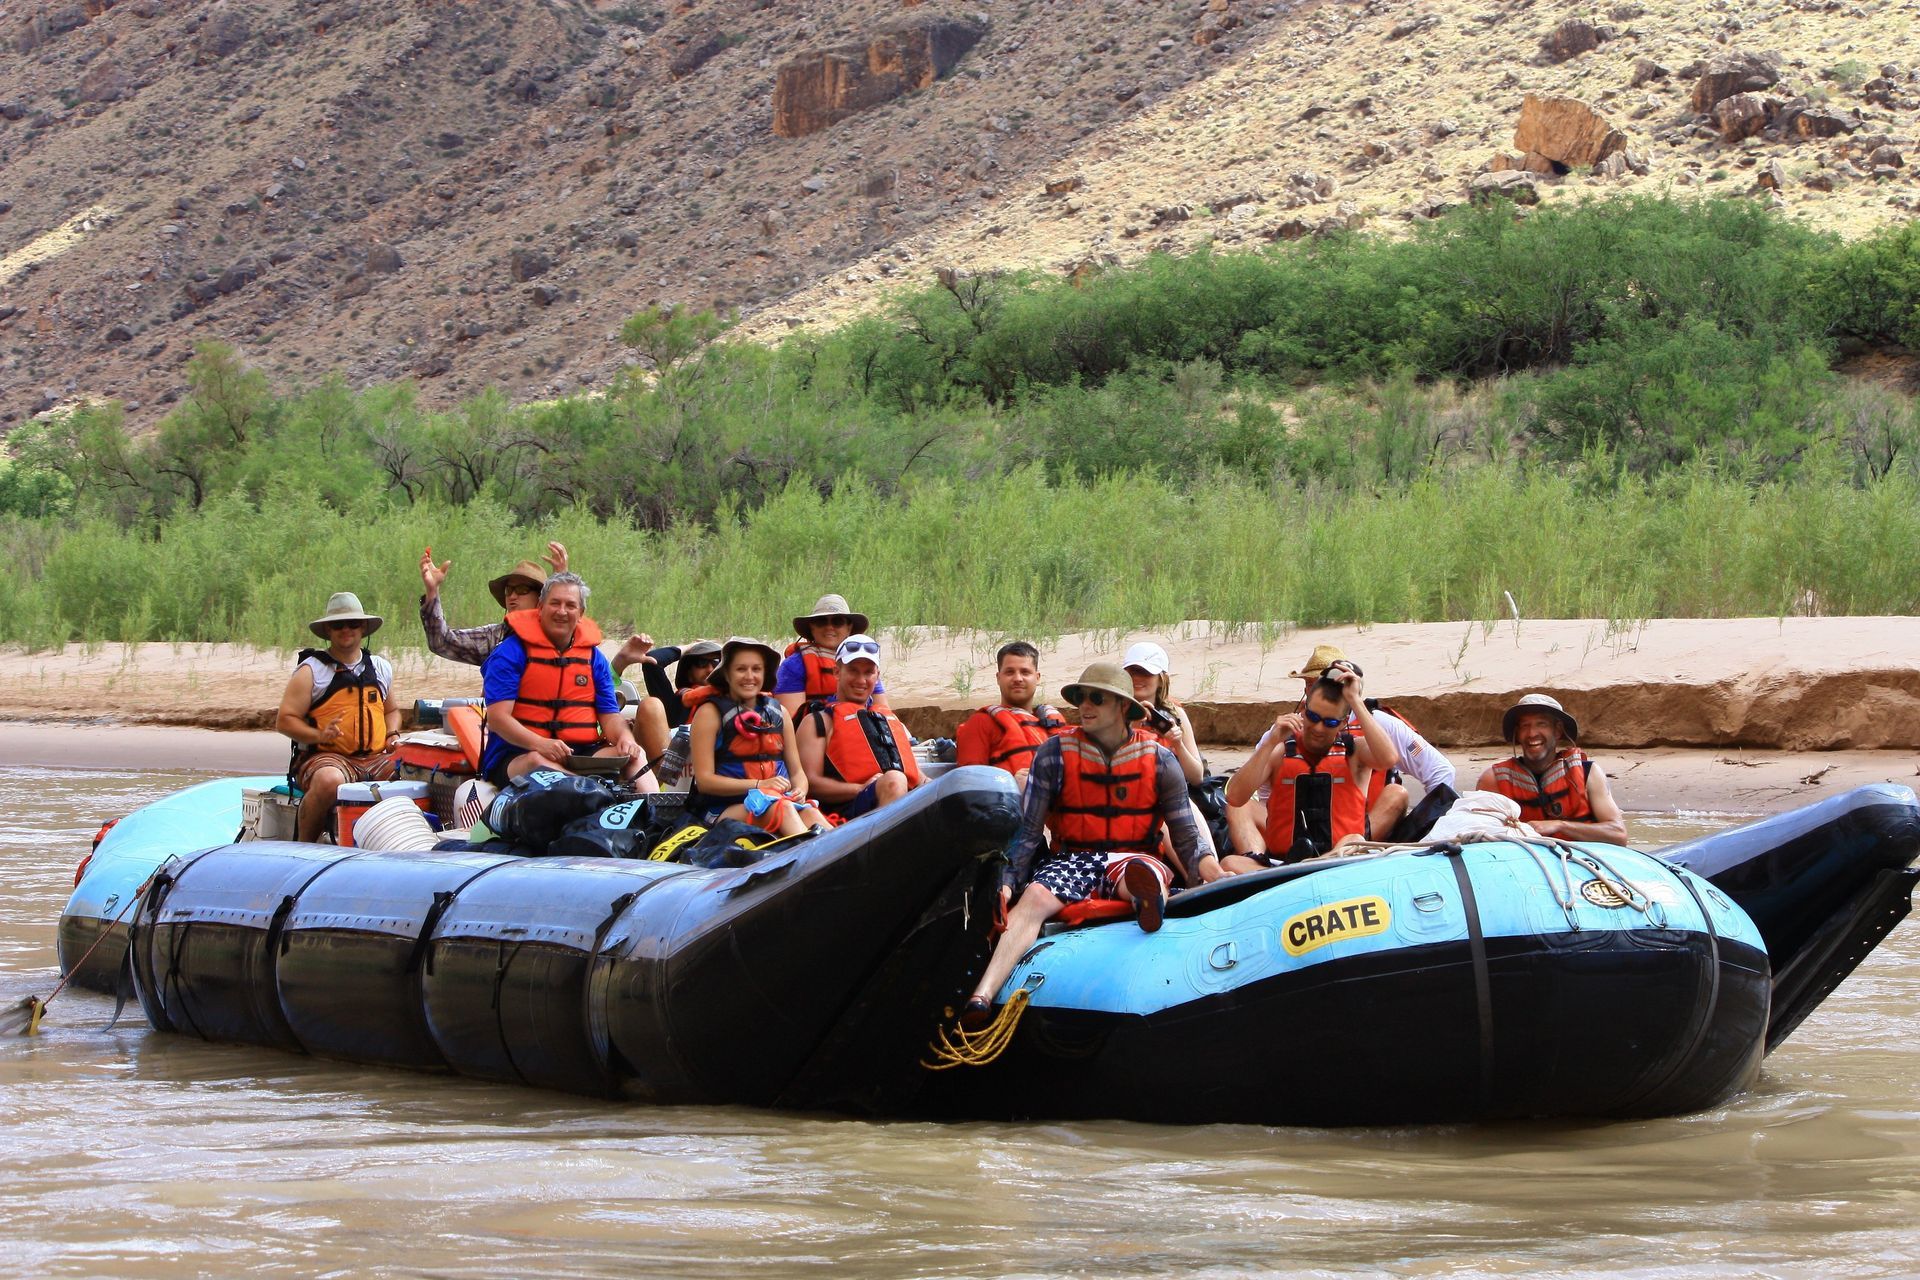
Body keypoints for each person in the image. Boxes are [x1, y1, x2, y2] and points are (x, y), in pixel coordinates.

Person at [960, 663, 1223, 1027]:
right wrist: (1007, 881)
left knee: (1142, 874)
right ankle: (982, 996)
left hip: (1135, 855)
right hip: (1074, 857)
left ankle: (1149, 902)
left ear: (1121, 706)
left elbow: (1186, 836)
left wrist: (1213, 871)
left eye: (1096, 698)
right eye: (1081, 697)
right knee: (1035, 896)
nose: (1085, 705)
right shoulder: (1053, 754)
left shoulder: (1161, 759)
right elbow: (1029, 832)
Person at [1225, 644, 1456, 858]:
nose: (1318, 727)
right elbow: (1245, 795)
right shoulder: (1282, 735)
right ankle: (1258, 864)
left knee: (1391, 797)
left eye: (1324, 683)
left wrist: (1429, 833)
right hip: (1293, 844)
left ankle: (1346, 854)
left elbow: (1433, 770)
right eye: (1310, 684)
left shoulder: (1375, 728)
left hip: (1355, 838)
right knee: (1233, 853)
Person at [477, 572, 647, 788]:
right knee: (537, 761)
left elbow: (610, 716)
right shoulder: (510, 653)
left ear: (581, 613)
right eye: (554, 603)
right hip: (519, 754)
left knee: (635, 755)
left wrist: (625, 738)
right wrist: (540, 744)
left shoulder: (594, 659)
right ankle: (592, 793)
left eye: (570, 605)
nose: (562, 611)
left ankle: (657, 813)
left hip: (580, 753)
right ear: (540, 607)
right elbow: (498, 719)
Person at [1220, 666, 1397, 870]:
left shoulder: (1355, 752)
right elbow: (1235, 797)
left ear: (1342, 724)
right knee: (1230, 863)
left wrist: (1355, 701)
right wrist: (1270, 742)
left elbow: (1388, 759)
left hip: (1338, 861)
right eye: (1313, 717)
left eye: (1329, 722)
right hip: (1285, 866)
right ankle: (1290, 873)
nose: (1319, 728)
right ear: (1304, 710)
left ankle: (1313, 866)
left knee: (1355, 840)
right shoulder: (1279, 751)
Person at [276, 592, 402, 843]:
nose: (346, 629)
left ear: (363, 628)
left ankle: (403, 843)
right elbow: (285, 720)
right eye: (338, 624)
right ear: (328, 631)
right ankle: (304, 848)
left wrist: (392, 734)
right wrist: (318, 735)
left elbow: (392, 711)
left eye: (353, 623)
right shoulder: (312, 670)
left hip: (376, 758)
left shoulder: (379, 667)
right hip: (326, 758)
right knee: (329, 780)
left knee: (417, 769)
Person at [685, 637, 831, 837]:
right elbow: (705, 781)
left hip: (778, 799)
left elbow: (797, 773)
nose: (749, 676)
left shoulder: (780, 713)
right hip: (722, 809)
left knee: (811, 813)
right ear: (726, 674)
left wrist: (800, 790)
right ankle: (812, 860)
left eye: (756, 669)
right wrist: (759, 785)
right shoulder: (709, 714)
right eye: (741, 669)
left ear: (764, 674)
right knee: (783, 810)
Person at [795, 634, 922, 820]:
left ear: (877, 676)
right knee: (895, 780)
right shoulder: (817, 722)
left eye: (868, 672)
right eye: (853, 671)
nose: (861, 680)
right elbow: (809, 783)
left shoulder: (889, 720)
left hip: (895, 796)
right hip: (845, 811)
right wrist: (860, 788)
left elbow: (918, 775)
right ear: (837, 672)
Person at [1476, 694, 1628, 845]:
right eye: (1525, 726)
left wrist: (1560, 825)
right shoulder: (1492, 780)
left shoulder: (1588, 773)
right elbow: (1477, 835)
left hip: (1580, 863)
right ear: (1517, 733)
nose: (1532, 733)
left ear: (1557, 731)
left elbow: (1619, 835)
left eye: (1541, 724)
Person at [417, 541, 565, 666]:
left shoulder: (556, 634)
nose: (512, 596)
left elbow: (570, 627)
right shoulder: (496, 636)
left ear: (540, 598)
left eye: (521, 589)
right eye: (509, 590)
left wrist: (562, 581)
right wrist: (432, 590)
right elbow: (442, 643)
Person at [953, 640, 1069, 787]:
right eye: (1009, 672)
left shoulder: (1055, 722)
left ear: (1037, 677)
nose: (1018, 678)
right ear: (998, 678)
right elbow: (968, 785)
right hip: (1009, 806)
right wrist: (1011, 784)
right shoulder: (980, 723)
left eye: (1025, 672)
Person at [774, 594, 888, 717]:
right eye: (821, 622)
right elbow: (790, 721)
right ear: (812, 627)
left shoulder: (866, 662)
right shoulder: (794, 665)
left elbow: (884, 712)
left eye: (837, 622)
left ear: (849, 627)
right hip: (814, 732)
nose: (829, 627)